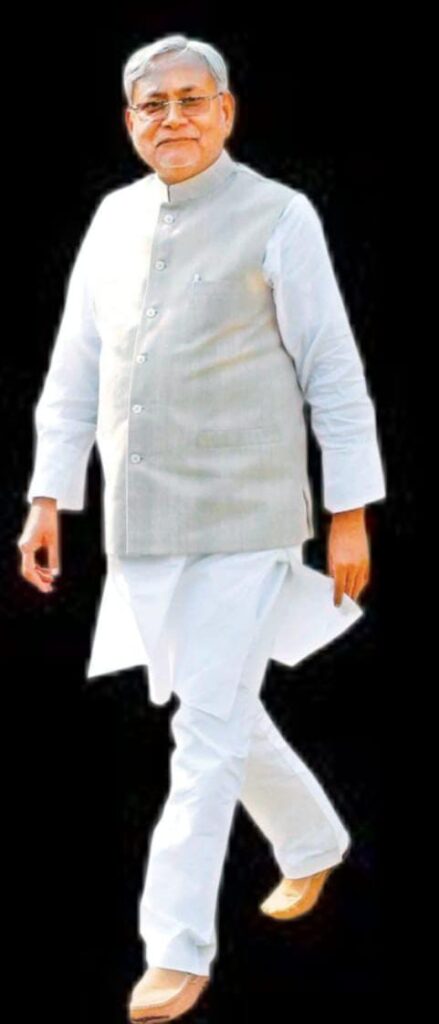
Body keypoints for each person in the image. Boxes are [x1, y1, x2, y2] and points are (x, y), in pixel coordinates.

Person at [18, 34, 386, 1022]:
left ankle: (174, 947)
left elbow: (332, 368)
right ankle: (312, 841)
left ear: (226, 111)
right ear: (129, 121)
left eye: (191, 99)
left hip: (248, 513)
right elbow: (74, 365)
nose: (171, 117)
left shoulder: (279, 214)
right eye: (152, 104)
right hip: (143, 519)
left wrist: (349, 513)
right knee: (213, 705)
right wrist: (48, 496)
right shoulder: (112, 218)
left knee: (205, 731)